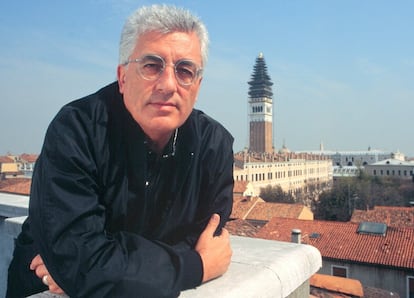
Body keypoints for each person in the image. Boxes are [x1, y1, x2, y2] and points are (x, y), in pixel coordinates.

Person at [7, 4, 233, 298]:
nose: (168, 84)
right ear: (123, 77)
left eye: (184, 70)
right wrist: (196, 266)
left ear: (197, 85)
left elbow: (86, 265)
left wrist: (94, 271)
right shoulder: (75, 132)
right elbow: (84, 261)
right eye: (152, 66)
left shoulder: (213, 147)